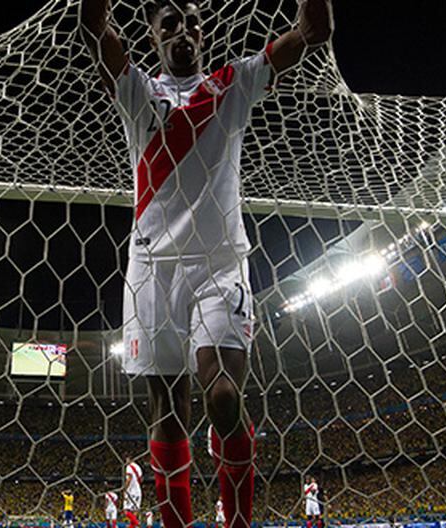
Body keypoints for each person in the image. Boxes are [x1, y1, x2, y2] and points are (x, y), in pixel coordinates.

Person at [79, 2, 333, 528]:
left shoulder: (232, 84)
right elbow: (93, 29)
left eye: (192, 23)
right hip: (152, 268)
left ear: (202, 36)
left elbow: (312, 32)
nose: (183, 31)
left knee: (221, 394)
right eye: (169, 23)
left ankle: (236, 521)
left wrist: (313, 20)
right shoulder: (137, 91)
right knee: (169, 413)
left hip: (220, 263)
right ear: (152, 38)